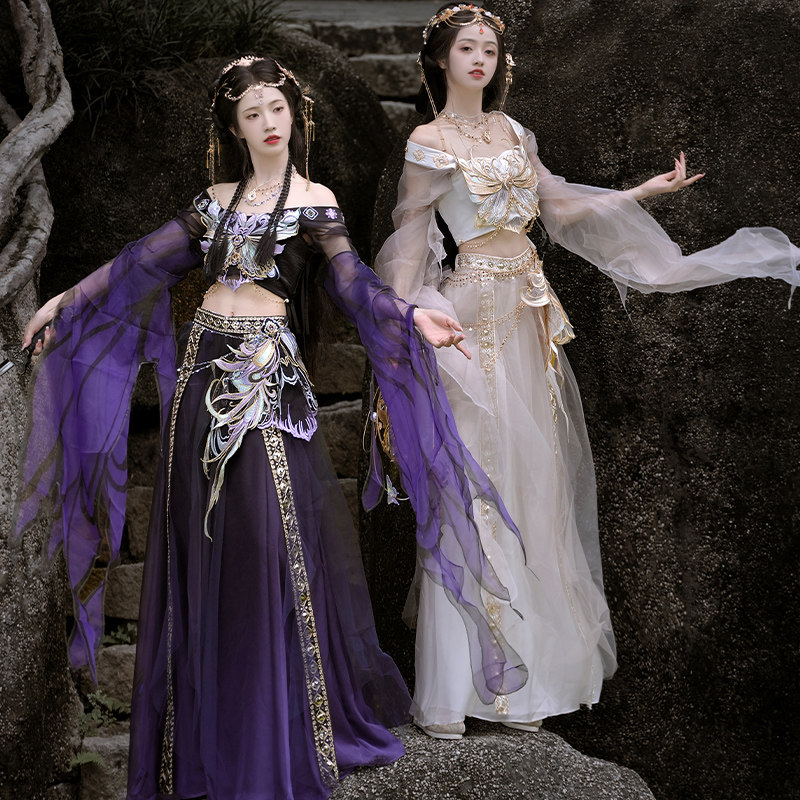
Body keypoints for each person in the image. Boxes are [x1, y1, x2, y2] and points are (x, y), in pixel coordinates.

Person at [17, 54, 524, 799]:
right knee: (203, 545)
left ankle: (274, 729)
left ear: (295, 115)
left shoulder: (315, 201)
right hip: (203, 377)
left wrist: (410, 315)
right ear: (234, 128)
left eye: (276, 109)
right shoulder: (211, 203)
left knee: (266, 541)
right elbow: (137, 266)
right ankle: (209, 740)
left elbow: (351, 282)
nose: (267, 123)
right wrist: (65, 300)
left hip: (270, 380)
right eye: (251, 113)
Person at [374, 3, 800, 740]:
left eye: (490, 49)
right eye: (467, 48)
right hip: (471, 316)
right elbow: (409, 245)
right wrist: (407, 327)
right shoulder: (428, 142)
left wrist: (641, 193)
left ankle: (525, 686)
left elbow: (562, 208)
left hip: (528, 314)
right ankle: (457, 687)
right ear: (441, 60)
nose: (480, 59)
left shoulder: (515, 132)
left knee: (535, 484)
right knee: (477, 482)